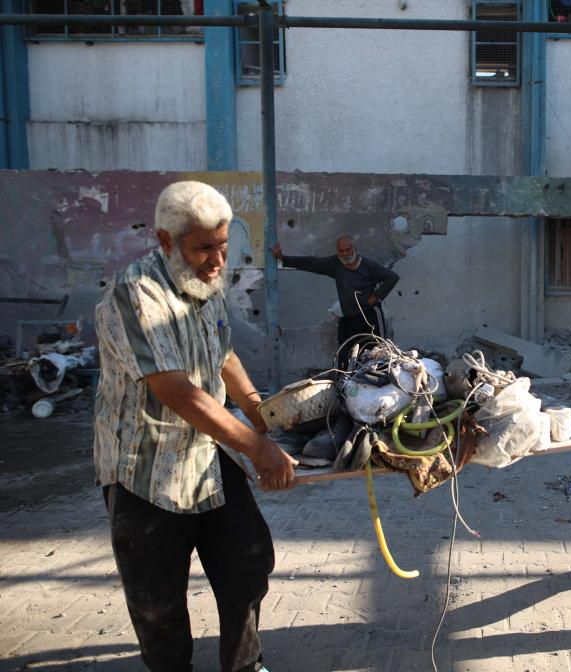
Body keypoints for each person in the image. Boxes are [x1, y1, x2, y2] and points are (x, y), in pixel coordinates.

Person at [93, 181, 298, 672]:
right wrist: (256, 447)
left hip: (208, 454)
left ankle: (244, 666)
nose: (217, 260)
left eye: (223, 246)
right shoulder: (136, 296)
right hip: (145, 468)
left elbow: (221, 350)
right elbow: (176, 391)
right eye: (204, 248)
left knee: (249, 564)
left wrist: (255, 406)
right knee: (157, 599)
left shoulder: (204, 285)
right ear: (166, 241)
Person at [271, 235, 399, 367]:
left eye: (348, 250)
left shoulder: (368, 266)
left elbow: (392, 277)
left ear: (354, 248)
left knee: (375, 353)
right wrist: (283, 258)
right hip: (348, 318)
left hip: (370, 316)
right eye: (341, 251)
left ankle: (375, 383)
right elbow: (311, 263)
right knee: (344, 355)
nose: (345, 254)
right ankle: (344, 384)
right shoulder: (335, 264)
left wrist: (376, 296)